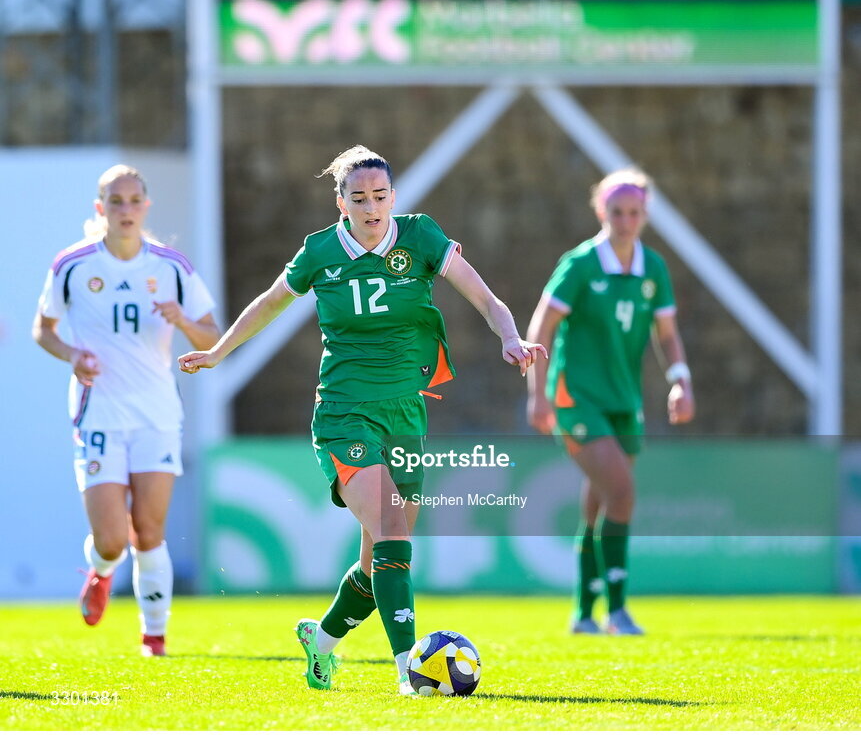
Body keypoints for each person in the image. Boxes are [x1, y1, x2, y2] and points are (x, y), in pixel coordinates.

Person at [178, 145, 545, 695]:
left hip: (406, 414)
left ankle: (321, 642)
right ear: (340, 204)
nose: (371, 208)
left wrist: (511, 337)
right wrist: (218, 352)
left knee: (379, 562)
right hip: (345, 414)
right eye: (359, 198)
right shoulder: (320, 251)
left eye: (380, 196)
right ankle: (410, 672)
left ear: (393, 198)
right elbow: (269, 303)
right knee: (394, 530)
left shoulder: (421, 238)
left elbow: (486, 298)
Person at [33, 164, 219, 657]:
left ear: (146, 207)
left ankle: (153, 637)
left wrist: (182, 320)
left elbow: (212, 335)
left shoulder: (171, 266)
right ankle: (100, 567)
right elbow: (43, 328)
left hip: (157, 414)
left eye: (135, 200)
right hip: (99, 415)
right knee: (114, 539)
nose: (126, 210)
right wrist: (73, 356)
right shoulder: (73, 265)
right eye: (116, 201)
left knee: (151, 530)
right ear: (101, 209)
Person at [526, 167, 694, 636]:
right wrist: (537, 395)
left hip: (624, 401)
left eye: (634, 212)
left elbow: (668, 335)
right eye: (616, 212)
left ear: (644, 215)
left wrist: (681, 381)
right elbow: (542, 328)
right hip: (576, 398)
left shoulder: (653, 268)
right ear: (602, 211)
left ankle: (583, 613)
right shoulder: (580, 265)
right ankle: (617, 610)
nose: (625, 221)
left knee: (601, 502)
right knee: (621, 492)